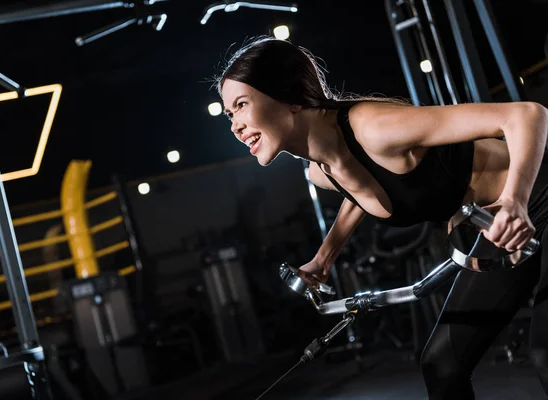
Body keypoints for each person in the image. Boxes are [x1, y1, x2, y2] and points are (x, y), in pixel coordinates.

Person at [215, 36, 548, 399]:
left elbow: (526, 115)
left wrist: (514, 200)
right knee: (442, 364)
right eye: (230, 113)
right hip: (501, 225)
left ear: (288, 99)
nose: (234, 125)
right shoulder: (321, 173)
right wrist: (324, 258)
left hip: (536, 191)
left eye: (242, 105)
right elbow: (361, 190)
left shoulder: (374, 128)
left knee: (546, 352)